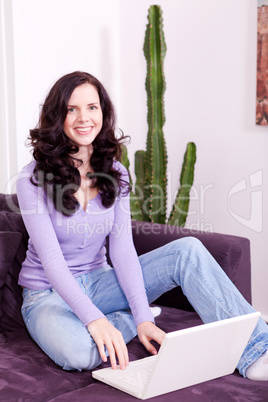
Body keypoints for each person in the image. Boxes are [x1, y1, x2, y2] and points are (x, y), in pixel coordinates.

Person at [16, 71, 268, 381]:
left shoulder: (116, 171)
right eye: (72, 109)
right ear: (57, 116)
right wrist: (96, 319)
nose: (84, 117)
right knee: (79, 352)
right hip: (47, 294)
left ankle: (258, 349)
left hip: (100, 282)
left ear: (103, 113)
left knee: (186, 251)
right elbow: (52, 262)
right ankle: (118, 318)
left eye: (92, 107)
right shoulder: (31, 179)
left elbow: (122, 250)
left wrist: (144, 317)